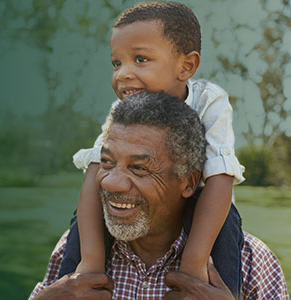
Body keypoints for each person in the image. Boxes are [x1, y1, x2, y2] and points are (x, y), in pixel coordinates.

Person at [29, 92, 289, 300]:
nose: (112, 183)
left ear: (188, 183)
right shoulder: (75, 249)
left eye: (139, 167)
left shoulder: (250, 260)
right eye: (106, 163)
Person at [67, 2, 246, 298]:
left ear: (186, 66)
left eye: (140, 59)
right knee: (83, 214)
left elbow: (220, 177)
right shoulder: (121, 110)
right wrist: (90, 263)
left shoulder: (209, 101)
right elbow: (95, 170)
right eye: (116, 63)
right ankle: (73, 287)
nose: (123, 74)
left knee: (228, 220)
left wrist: (192, 266)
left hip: (199, 206)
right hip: (141, 208)